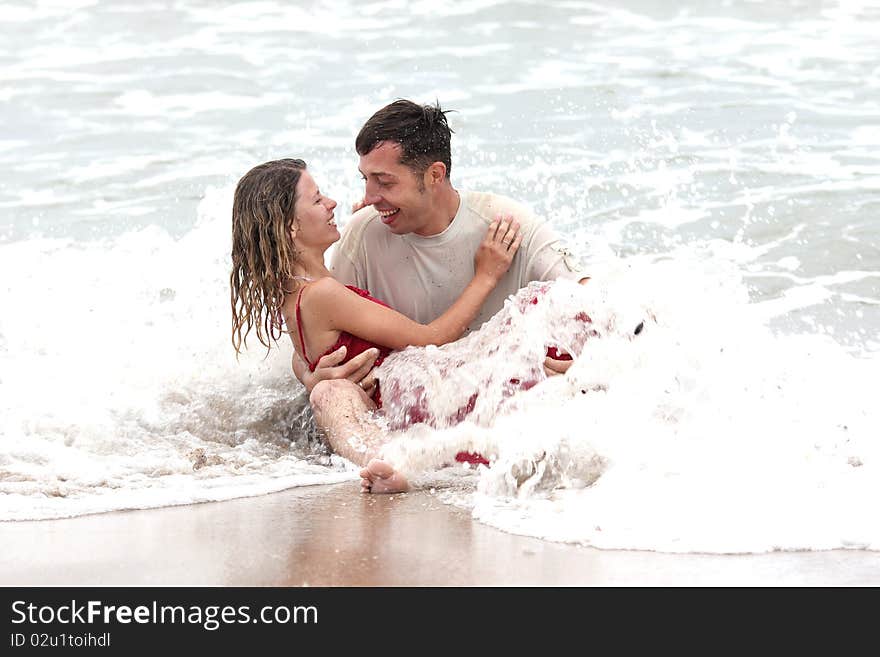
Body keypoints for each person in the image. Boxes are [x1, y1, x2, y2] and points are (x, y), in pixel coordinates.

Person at [230, 158, 523, 494]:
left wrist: (308, 374)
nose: (331, 203)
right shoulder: (322, 294)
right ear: (290, 228)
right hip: (414, 405)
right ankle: (388, 465)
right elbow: (432, 338)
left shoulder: (298, 290)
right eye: (317, 199)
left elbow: (304, 351)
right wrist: (487, 274)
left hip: (401, 405)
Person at [293, 99, 590, 406]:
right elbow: (315, 325)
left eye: (384, 182)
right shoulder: (363, 233)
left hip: (498, 408)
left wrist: (592, 363)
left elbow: (601, 302)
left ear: (434, 175)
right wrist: (309, 376)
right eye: (365, 179)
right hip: (411, 415)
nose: (369, 197)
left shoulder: (504, 226)